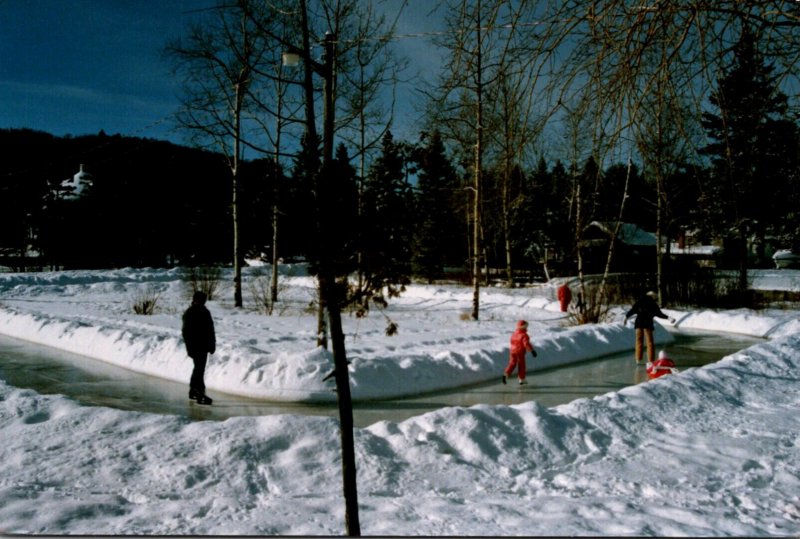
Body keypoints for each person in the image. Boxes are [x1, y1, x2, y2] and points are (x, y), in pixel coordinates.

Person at [182, 290, 216, 405]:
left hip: (204, 346)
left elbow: (211, 330)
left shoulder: (205, 311)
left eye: (205, 299)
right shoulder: (190, 312)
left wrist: (212, 344)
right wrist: (189, 348)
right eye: (202, 299)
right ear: (196, 300)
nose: (204, 301)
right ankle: (199, 393)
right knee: (199, 369)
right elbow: (186, 332)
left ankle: (193, 390)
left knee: (199, 368)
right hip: (196, 346)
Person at [624, 290, 675, 364]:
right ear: (653, 296)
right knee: (650, 342)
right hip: (647, 324)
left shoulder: (640, 301)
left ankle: (638, 359)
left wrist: (626, 317)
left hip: (638, 323)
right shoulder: (653, 304)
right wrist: (668, 318)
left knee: (639, 341)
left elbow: (633, 310)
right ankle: (651, 361)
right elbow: (659, 314)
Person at [502, 320, 537, 385]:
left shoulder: (514, 334)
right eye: (526, 326)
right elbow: (526, 344)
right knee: (521, 365)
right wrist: (532, 350)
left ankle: (506, 374)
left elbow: (511, 342)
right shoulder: (524, 335)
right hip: (520, 352)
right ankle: (522, 379)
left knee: (512, 363)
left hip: (512, 351)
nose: (527, 328)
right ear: (523, 327)